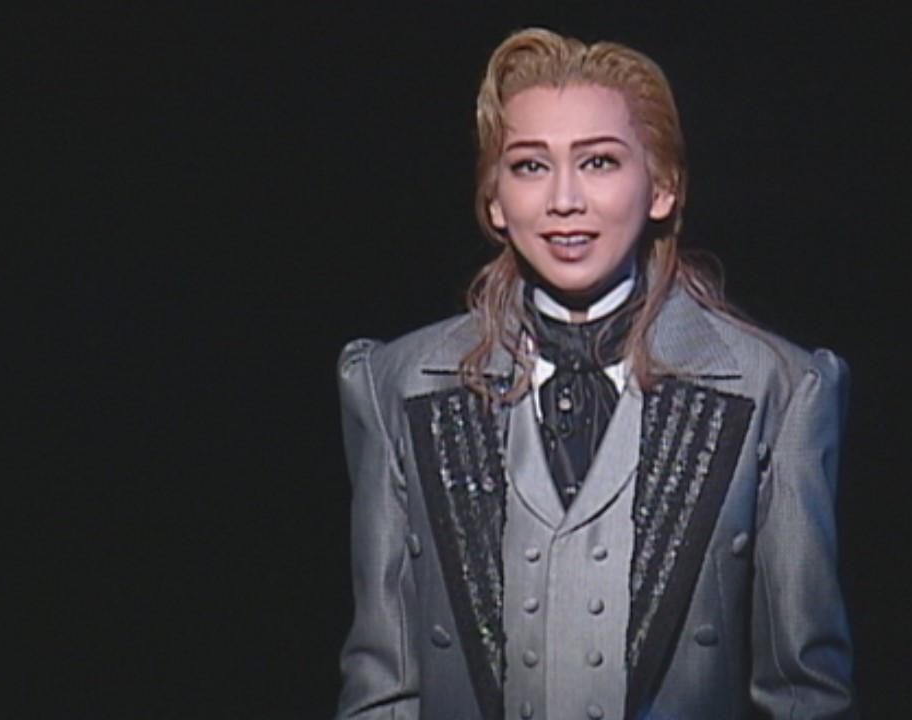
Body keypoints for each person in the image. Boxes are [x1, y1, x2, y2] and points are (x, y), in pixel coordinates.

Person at [334, 27, 854, 720]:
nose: (564, 199)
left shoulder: (774, 389)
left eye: (600, 162)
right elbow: (383, 682)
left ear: (662, 186)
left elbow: (802, 695)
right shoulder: (402, 385)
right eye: (530, 166)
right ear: (494, 200)